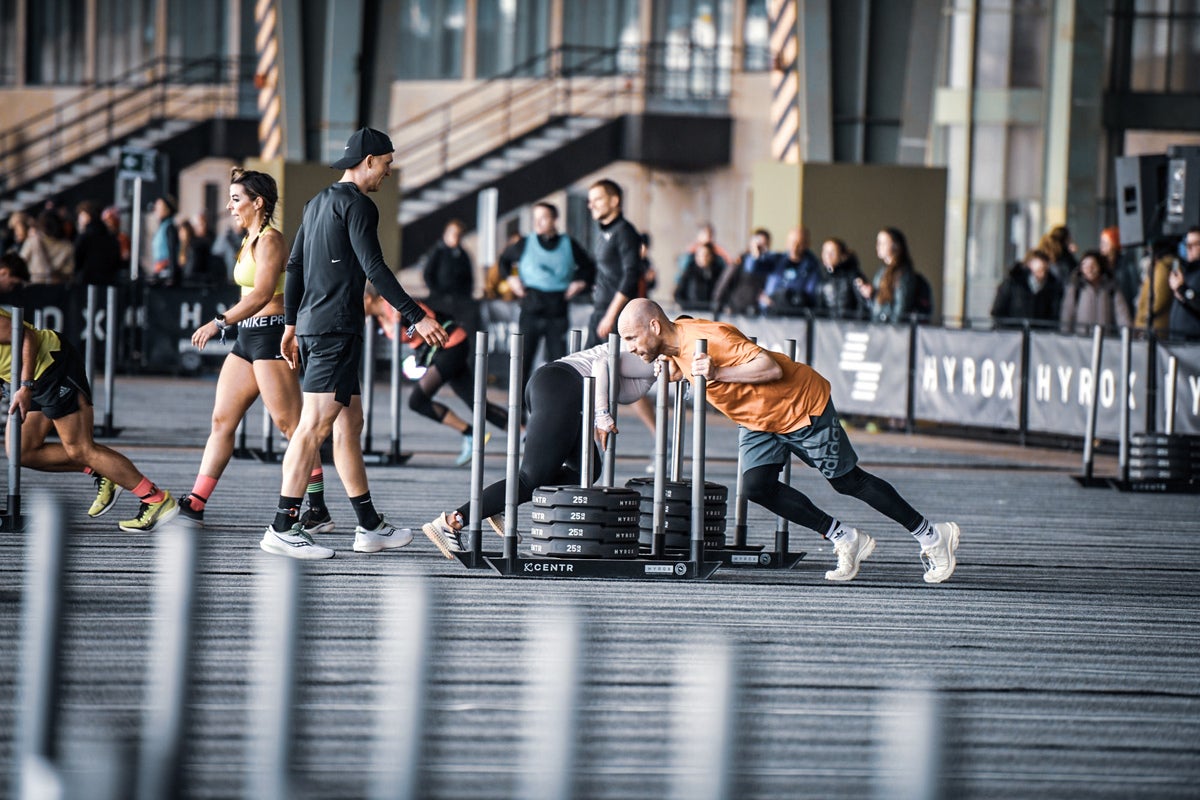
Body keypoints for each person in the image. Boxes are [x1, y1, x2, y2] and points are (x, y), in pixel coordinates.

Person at [616, 298, 961, 583]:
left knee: (847, 482)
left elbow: (770, 368)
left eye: (631, 339)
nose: (630, 348)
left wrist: (718, 373)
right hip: (758, 420)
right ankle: (845, 537)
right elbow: (690, 358)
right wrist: (675, 370)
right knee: (756, 487)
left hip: (800, 404)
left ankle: (932, 536)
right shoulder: (677, 341)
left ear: (654, 326)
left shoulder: (712, 339)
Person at [263, 127, 448, 560]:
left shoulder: (316, 203)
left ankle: (368, 527)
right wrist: (416, 316)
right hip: (334, 330)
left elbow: (295, 267)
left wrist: (291, 325)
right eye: (386, 162)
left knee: (349, 425)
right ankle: (282, 527)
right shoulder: (358, 205)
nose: (388, 170)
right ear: (368, 160)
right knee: (313, 428)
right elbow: (375, 268)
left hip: (314, 327)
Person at [179, 168, 327, 530]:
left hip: (272, 335)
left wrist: (218, 322)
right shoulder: (249, 238)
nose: (230, 206)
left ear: (257, 202)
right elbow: (250, 295)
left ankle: (318, 508)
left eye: (236, 199)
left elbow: (262, 294)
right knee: (221, 420)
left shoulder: (271, 240)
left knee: (291, 426)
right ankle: (196, 504)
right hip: (248, 337)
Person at [421, 342, 656, 558]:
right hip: (559, 389)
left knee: (586, 471)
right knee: (529, 479)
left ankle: (498, 500)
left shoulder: (656, 366)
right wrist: (602, 416)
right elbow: (601, 364)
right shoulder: (655, 357)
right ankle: (452, 521)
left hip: (562, 391)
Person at [0, 269, 177, 530]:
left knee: (81, 448)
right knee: (21, 450)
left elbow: (27, 336)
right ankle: (101, 471)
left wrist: (25, 386)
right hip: (22, 379)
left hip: (49, 366)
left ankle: (156, 499)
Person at [365, 286, 507, 464]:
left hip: (449, 344)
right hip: (437, 352)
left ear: (368, 298)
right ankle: (524, 433)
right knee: (475, 401)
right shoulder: (376, 319)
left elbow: (426, 319)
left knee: (417, 400)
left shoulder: (394, 302)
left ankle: (471, 434)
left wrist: (404, 323)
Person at [496, 201, 595, 392]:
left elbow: (588, 268)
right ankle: (519, 412)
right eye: (535, 219)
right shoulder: (525, 243)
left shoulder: (569, 244)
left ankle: (553, 406)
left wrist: (580, 283)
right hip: (531, 306)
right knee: (522, 361)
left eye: (543, 218)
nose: (538, 223)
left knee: (558, 363)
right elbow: (503, 261)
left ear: (554, 220)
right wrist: (511, 279)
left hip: (557, 308)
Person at [585, 178, 644, 347]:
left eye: (597, 199)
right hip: (600, 312)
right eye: (590, 201)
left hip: (615, 317)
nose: (591, 205)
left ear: (614, 200)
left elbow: (631, 275)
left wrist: (610, 316)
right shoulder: (605, 232)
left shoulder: (625, 232)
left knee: (609, 371)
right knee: (585, 369)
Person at [422, 218, 480, 333]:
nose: (456, 237)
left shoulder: (463, 254)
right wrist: (437, 293)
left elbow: (469, 278)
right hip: (439, 302)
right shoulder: (437, 252)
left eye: (459, 234)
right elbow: (428, 274)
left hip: (459, 302)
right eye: (453, 234)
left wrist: (465, 296)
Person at [1059, 249, 1132, 335]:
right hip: (1081, 342)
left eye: (1093, 266)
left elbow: (1122, 315)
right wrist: (1065, 338)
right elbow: (1067, 315)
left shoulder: (1110, 287)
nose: (1089, 269)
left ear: (1100, 266)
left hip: (1104, 340)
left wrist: (1127, 335)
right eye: (1085, 266)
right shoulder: (1076, 288)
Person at [857, 227, 918, 323]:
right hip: (879, 326)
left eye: (883, 243)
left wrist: (891, 330)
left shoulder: (903, 274)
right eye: (878, 242)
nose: (878, 246)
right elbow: (878, 305)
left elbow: (901, 308)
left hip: (890, 330)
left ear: (895, 246)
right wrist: (871, 295)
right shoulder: (882, 271)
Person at [990, 249, 1063, 328]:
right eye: (1039, 270)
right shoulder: (1013, 282)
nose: (1042, 273)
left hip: (1041, 337)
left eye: (1044, 269)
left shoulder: (1052, 287)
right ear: (1029, 264)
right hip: (1011, 335)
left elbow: (1054, 317)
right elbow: (998, 311)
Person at [711, 228, 775, 317]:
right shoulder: (741, 260)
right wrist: (718, 303)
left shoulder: (769, 263)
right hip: (735, 309)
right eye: (759, 245)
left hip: (755, 312)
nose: (761, 249)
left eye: (764, 245)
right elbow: (725, 282)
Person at [759, 225, 821, 315]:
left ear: (807, 244)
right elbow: (754, 267)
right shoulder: (777, 260)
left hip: (794, 319)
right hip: (769, 316)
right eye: (792, 242)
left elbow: (809, 298)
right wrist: (755, 256)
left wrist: (777, 303)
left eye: (799, 243)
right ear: (787, 243)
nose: (795, 247)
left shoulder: (813, 267)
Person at [815, 237, 867, 319]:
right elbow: (820, 308)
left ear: (842, 255)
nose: (828, 256)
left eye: (832, 252)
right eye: (825, 252)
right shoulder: (822, 278)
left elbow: (862, 305)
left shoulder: (853, 276)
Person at [72, 201, 122, 286]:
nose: (79, 219)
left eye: (81, 215)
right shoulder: (111, 237)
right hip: (108, 283)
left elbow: (76, 260)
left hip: (86, 283)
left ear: (88, 215)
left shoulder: (84, 237)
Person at [20, 209, 74, 284]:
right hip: (57, 287)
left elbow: (20, 262)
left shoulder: (33, 241)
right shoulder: (67, 246)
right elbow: (68, 271)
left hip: (34, 285)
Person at [1134, 239, 1175, 337]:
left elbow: (1158, 300)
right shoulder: (1160, 267)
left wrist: (1142, 317)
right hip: (1153, 325)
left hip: (1154, 326)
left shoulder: (1162, 268)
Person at [1167, 226, 1200, 341]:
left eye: (1195, 244)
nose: (1189, 248)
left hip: (1194, 346)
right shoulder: (1186, 271)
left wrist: (1182, 289)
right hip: (1178, 341)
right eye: (1187, 244)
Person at [673, 241, 726, 310]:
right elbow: (678, 293)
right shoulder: (690, 271)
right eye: (700, 255)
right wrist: (686, 307)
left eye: (706, 255)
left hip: (710, 313)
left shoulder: (717, 272)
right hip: (692, 312)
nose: (703, 258)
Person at [1101, 226, 1140, 310]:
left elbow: (1135, 292)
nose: (1102, 246)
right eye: (1101, 243)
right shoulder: (1101, 265)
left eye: (1105, 243)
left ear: (1114, 244)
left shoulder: (1127, 265)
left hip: (1124, 309)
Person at [150, 196, 179, 284]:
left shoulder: (170, 228)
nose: (156, 209)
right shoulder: (161, 227)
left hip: (166, 271)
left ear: (167, 209)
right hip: (159, 269)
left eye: (159, 207)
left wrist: (171, 275)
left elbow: (172, 251)